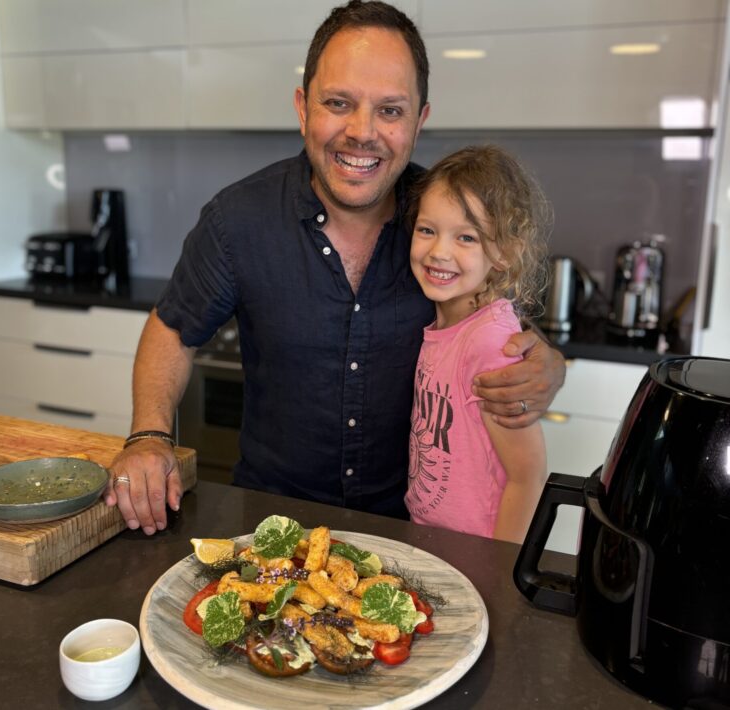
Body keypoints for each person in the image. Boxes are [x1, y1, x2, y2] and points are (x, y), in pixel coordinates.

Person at [106, 0, 566, 535]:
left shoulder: (440, 223)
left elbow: (489, 320)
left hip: (408, 536)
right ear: (303, 108)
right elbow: (173, 328)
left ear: (419, 121)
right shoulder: (238, 220)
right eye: (339, 103)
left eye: (390, 110)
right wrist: (148, 437)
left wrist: (548, 363)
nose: (362, 131)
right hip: (269, 523)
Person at [404, 145, 549, 543]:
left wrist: (499, 570)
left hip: (476, 555)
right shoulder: (443, 323)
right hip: (436, 543)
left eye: (466, 237)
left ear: (505, 252)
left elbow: (528, 475)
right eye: (427, 230)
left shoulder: (490, 344)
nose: (439, 252)